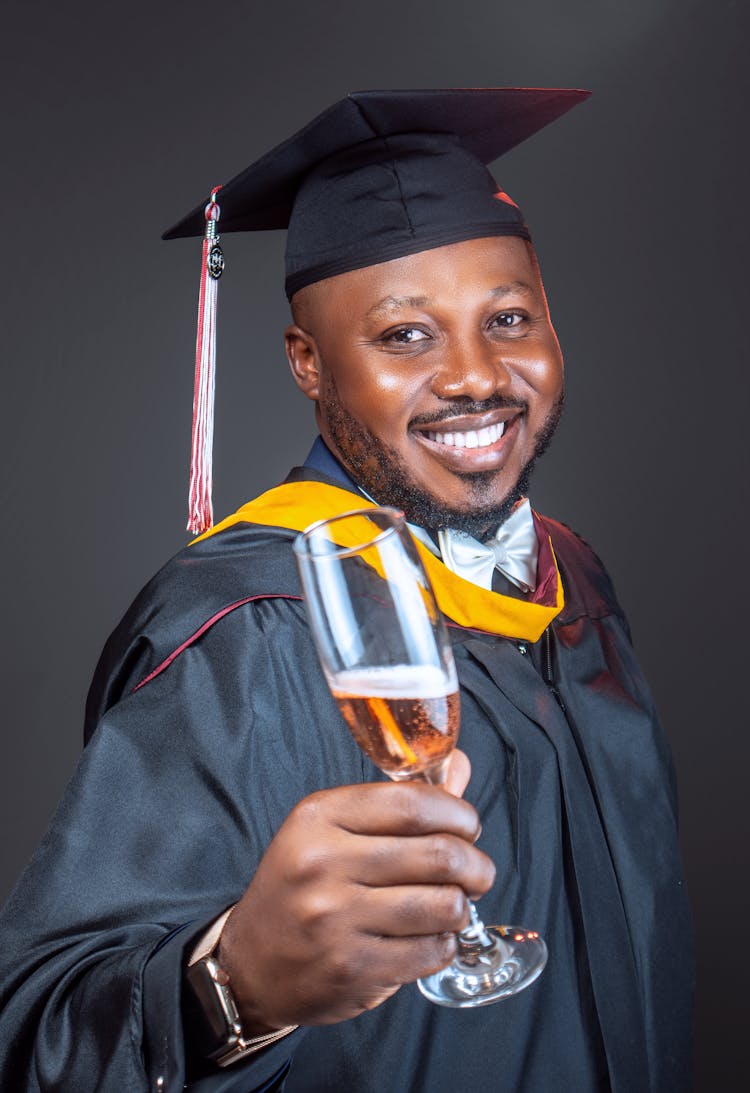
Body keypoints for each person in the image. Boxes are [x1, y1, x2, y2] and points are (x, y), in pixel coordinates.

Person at [0, 89, 693, 1092]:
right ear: (308, 364)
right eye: (404, 336)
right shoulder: (242, 632)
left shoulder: (570, 571)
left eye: (508, 318)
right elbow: (37, 1039)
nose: (475, 376)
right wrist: (232, 986)